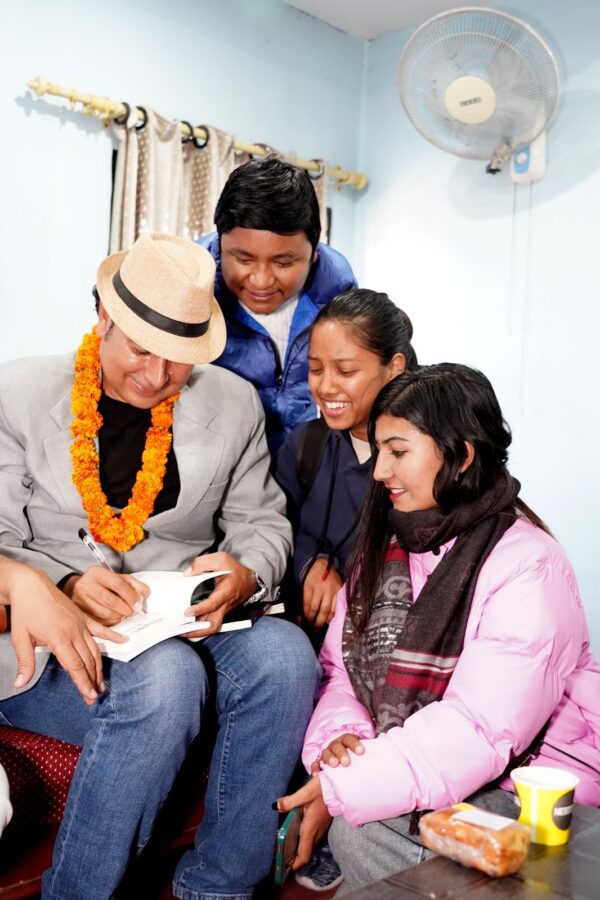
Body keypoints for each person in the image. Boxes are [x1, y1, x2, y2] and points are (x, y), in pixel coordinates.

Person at [0, 232, 320, 900]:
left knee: (287, 656)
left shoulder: (232, 404)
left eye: (177, 360)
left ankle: (219, 888)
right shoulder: (17, 394)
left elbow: (262, 522)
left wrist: (245, 573)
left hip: (181, 617)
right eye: (141, 349)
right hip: (47, 637)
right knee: (166, 680)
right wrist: (61, 582)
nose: (155, 375)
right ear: (104, 320)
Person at [277, 363, 600, 894]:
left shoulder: (527, 563)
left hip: (531, 780)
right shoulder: (385, 552)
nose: (379, 472)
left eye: (398, 452)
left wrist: (341, 788)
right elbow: (340, 672)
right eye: (379, 451)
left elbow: (480, 727)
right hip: (433, 763)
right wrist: (345, 742)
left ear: (462, 455)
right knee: (364, 826)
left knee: (363, 831)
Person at [275, 289, 417, 637]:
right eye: (315, 369)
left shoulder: (426, 453)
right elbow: (271, 525)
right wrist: (311, 563)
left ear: (393, 368)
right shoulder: (305, 445)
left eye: (346, 370)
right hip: (314, 640)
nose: (326, 387)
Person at [199, 156, 356, 453]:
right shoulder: (191, 285)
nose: (260, 281)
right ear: (220, 243)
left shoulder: (337, 289)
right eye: (243, 259)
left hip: (303, 463)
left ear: (314, 252)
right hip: (215, 464)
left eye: (283, 262)